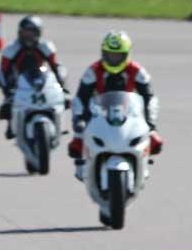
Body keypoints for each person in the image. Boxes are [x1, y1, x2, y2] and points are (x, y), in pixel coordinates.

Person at [68, 30, 163, 180]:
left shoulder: (138, 71)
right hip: (99, 113)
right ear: (103, 53)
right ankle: (82, 164)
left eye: (118, 55)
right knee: (78, 137)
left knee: (152, 137)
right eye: (110, 55)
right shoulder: (93, 70)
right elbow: (80, 98)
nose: (113, 59)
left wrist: (150, 123)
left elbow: (150, 98)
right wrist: (79, 119)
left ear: (126, 54)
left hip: (129, 113)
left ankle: (142, 164)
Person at [0, 15, 67, 139]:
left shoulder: (46, 47)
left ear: (38, 33)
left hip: (40, 77)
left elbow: (56, 67)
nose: (28, 36)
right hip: (18, 81)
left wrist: (62, 87)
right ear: (19, 33)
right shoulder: (11, 50)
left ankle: (58, 123)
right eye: (25, 32)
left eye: (32, 32)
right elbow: (3, 73)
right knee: (6, 108)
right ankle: (11, 123)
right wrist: (8, 91)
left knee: (64, 100)